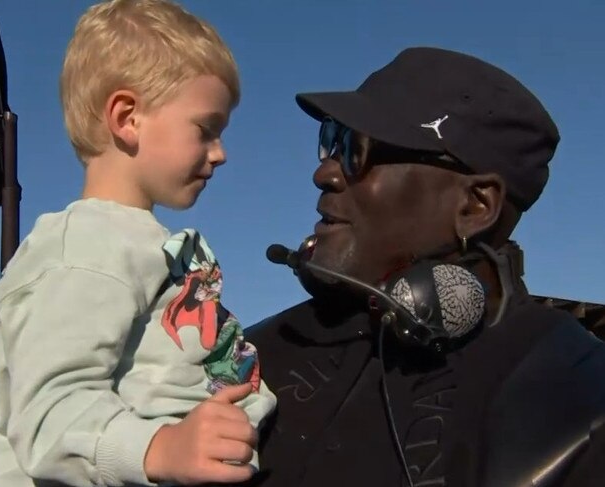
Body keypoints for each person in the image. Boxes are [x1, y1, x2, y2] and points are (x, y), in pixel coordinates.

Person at [245, 46, 605, 487]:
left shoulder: (577, 399)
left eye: (357, 149)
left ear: (475, 206)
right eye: (331, 139)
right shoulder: (253, 352)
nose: (326, 173)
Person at [0, 1, 276, 486]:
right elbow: (50, 412)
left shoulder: (135, 243)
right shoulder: (81, 251)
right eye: (206, 130)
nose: (220, 154)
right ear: (127, 117)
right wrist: (161, 448)